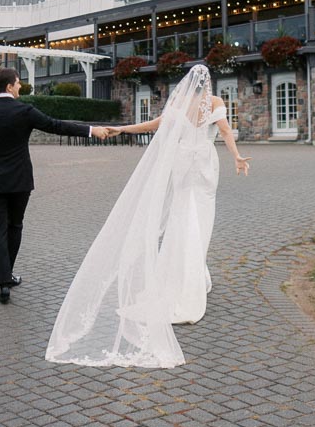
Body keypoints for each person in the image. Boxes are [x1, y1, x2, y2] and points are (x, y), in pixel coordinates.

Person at [45, 64, 250, 368]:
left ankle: (191, 274)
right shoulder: (216, 103)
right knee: (199, 222)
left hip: (183, 167)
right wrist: (236, 156)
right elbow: (224, 132)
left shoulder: (180, 104)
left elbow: (154, 125)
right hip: (204, 166)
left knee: (183, 219)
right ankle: (190, 281)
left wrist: (123, 128)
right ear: (207, 84)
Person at [0, 67, 110, 304]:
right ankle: (7, 277)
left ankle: (4, 282)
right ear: (10, 86)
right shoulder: (24, 111)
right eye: (18, 83)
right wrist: (90, 130)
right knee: (14, 226)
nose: (20, 86)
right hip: (19, 182)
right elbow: (56, 125)